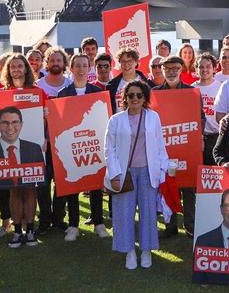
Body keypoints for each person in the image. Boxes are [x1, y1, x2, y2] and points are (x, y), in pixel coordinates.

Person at [105, 80, 169, 270]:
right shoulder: (116, 120)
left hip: (149, 172)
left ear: (145, 98)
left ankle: (147, 250)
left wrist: (163, 169)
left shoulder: (153, 117)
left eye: (139, 95)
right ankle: (129, 251)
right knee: (124, 213)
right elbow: (109, 149)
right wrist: (115, 173)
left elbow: (159, 145)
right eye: (131, 95)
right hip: (125, 173)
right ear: (125, 98)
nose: (135, 99)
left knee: (148, 212)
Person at [55, 54, 108, 241]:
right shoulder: (62, 94)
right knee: (73, 185)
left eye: (85, 65)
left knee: (95, 183)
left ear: (90, 67)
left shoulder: (98, 92)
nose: (81, 69)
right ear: (71, 68)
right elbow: (59, 122)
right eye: (77, 65)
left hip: (93, 144)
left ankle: (99, 222)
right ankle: (73, 225)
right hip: (72, 146)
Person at [152, 55, 205, 239]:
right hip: (165, 146)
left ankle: (190, 226)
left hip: (186, 143)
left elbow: (201, 118)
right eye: (168, 69)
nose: (172, 72)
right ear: (162, 70)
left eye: (175, 68)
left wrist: (199, 137)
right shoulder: (154, 93)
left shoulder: (192, 93)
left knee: (189, 186)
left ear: (181, 69)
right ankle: (170, 225)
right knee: (168, 184)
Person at [0, 106, 45, 248]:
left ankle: (29, 230)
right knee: (14, 192)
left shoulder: (34, 148)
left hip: (30, 175)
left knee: (30, 191)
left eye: (15, 122)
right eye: (5, 122)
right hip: (7, 174)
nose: (10, 127)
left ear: (21, 124)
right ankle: (17, 231)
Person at [35, 47, 73, 235]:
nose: (56, 64)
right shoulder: (37, 86)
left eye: (59, 60)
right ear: (47, 63)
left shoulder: (71, 84)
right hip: (44, 143)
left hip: (65, 143)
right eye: (52, 60)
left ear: (64, 64)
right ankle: (44, 219)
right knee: (43, 183)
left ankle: (59, 218)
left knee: (62, 182)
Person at [192, 53, 221, 170]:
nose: (204, 70)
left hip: (216, 136)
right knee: (199, 171)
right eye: (201, 67)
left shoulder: (221, 87)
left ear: (214, 68)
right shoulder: (191, 89)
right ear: (196, 69)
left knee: (216, 172)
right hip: (198, 137)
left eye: (208, 66)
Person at [106, 48, 147, 114]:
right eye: (123, 61)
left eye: (130, 61)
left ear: (136, 62)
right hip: (120, 123)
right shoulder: (111, 85)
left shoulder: (146, 83)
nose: (126, 64)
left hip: (142, 122)